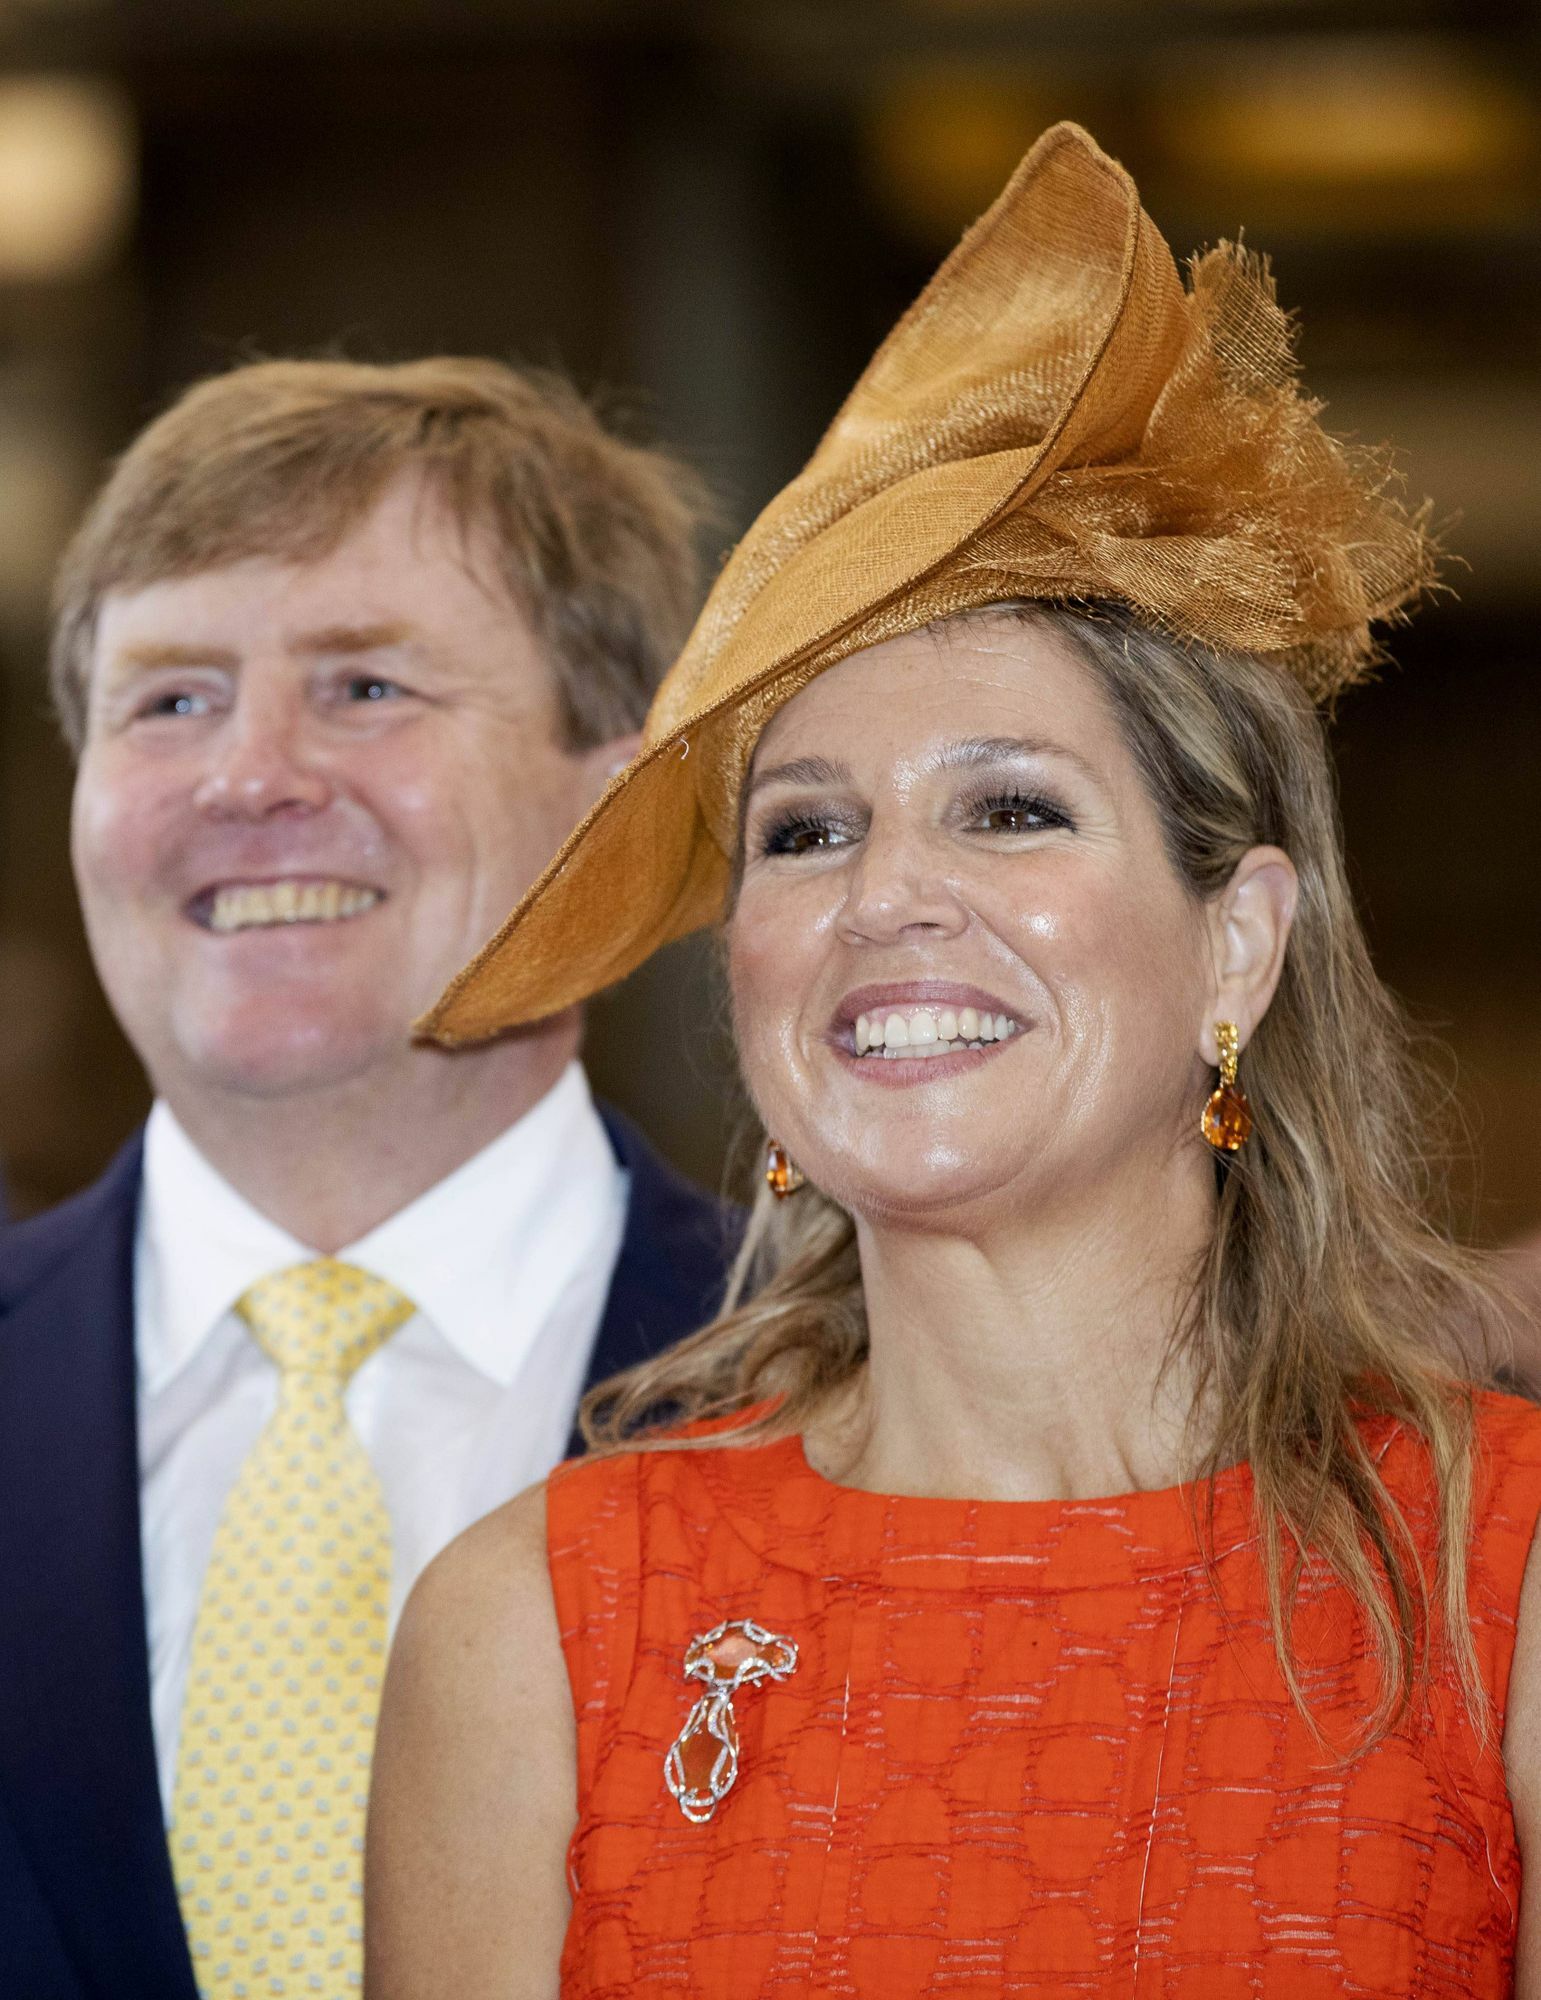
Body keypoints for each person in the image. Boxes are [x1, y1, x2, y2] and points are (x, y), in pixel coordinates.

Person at [369, 126, 1541, 1997]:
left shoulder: (1502, 1576)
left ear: (1237, 943)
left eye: (1006, 810)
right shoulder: (533, 1627)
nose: (883, 896)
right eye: (805, 833)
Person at [0, 357, 739, 2000]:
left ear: (617, 812)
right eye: (170, 701)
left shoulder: (874, 1394)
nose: (247, 776)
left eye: (363, 688)